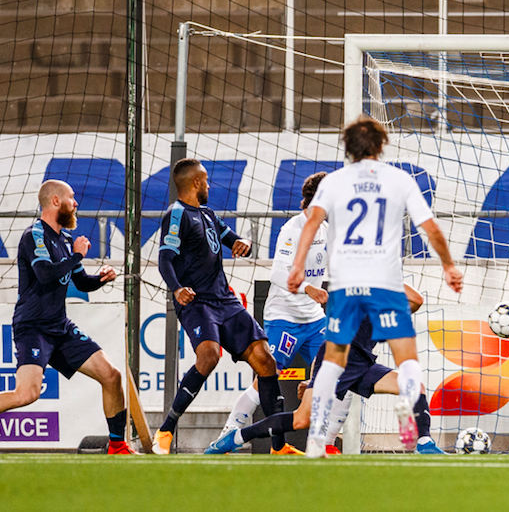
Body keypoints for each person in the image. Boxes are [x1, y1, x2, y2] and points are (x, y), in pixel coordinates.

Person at [287, 116, 464, 458]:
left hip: (345, 285)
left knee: (333, 361)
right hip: (383, 283)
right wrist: (448, 266)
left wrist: (297, 268)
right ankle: (420, 439)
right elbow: (431, 228)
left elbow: (311, 223)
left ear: (348, 148)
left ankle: (315, 441)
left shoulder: (335, 182)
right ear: (382, 146)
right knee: (408, 362)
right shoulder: (398, 179)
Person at [0, 180, 130, 454]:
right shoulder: (34, 235)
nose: (76, 203)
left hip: (59, 327)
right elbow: (45, 274)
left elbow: (81, 282)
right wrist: (78, 255)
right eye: (71, 198)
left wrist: (100, 279)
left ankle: (117, 445)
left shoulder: (64, 239)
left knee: (111, 376)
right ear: (55, 201)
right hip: (33, 327)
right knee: (27, 394)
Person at [205, 285, 447, 455]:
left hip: (362, 363)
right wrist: (314, 379)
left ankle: (424, 442)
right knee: (302, 419)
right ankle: (236, 438)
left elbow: (416, 301)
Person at [153, 158, 283, 455]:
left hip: (225, 300)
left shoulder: (208, 214)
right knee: (209, 355)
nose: (209, 185)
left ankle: (279, 446)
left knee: (266, 361)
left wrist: (243, 243)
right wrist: (177, 289)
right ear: (196, 182)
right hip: (197, 301)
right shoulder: (176, 214)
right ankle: (166, 429)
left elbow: (232, 239)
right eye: (207, 180)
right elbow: (165, 259)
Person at [214, 172, 329, 452]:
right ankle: (230, 431)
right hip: (285, 317)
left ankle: (326, 442)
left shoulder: (327, 228)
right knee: (267, 376)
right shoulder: (293, 228)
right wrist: (308, 290)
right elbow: (278, 272)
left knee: (334, 375)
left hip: (315, 319)